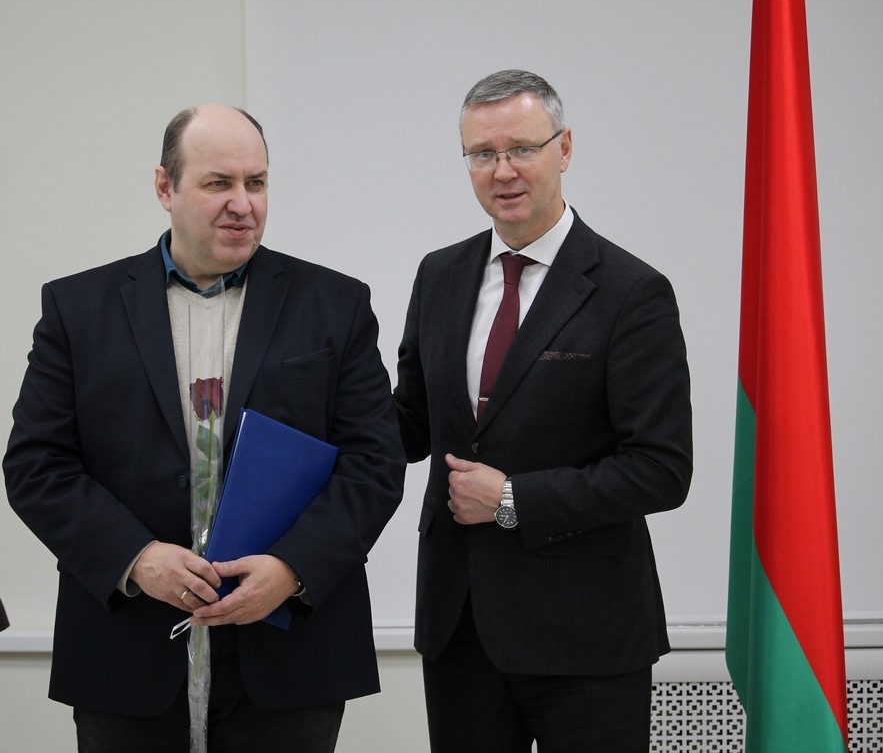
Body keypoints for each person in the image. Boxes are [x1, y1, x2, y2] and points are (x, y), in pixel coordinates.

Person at [4, 103, 405, 752]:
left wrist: (292, 568)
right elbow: (36, 466)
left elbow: (374, 463)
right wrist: (137, 559)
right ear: (165, 187)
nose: (242, 204)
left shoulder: (337, 305)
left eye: (257, 182)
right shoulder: (77, 309)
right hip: (126, 649)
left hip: (288, 655)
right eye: (219, 183)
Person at [393, 70, 693, 752]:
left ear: (564, 149)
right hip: (459, 629)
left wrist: (511, 500)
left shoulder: (631, 292)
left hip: (585, 637)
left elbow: (660, 469)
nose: (502, 171)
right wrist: (310, 411)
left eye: (522, 148)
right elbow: (409, 422)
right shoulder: (439, 275)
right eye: (482, 153)